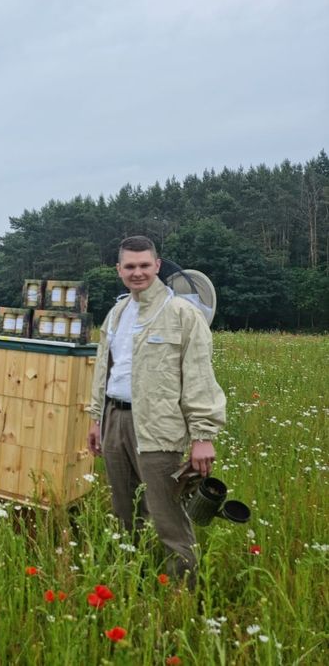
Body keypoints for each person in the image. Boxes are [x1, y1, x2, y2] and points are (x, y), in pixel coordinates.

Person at [87, 235, 226, 582]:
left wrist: (203, 436)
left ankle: (182, 592)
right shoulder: (117, 313)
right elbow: (105, 371)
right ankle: (132, 578)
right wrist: (95, 419)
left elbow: (199, 377)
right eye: (130, 266)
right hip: (114, 421)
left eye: (144, 265)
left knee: (168, 517)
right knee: (124, 511)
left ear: (157, 266)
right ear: (119, 270)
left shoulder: (183, 314)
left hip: (159, 427)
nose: (137, 272)